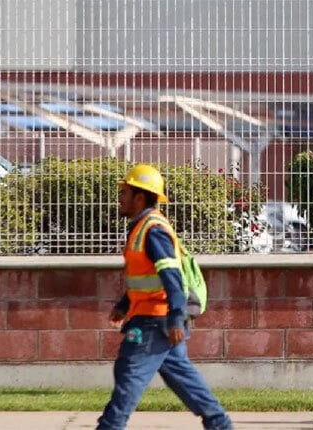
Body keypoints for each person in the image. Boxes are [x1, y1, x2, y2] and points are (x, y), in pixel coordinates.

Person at [97, 164, 232, 430]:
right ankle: (220, 424)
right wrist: (124, 305)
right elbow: (148, 276)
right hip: (155, 318)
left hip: (155, 322)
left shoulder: (153, 230)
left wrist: (174, 317)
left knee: (128, 378)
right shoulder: (142, 227)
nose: (120, 197)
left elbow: (171, 276)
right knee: (183, 378)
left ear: (140, 197)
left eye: (125, 192)